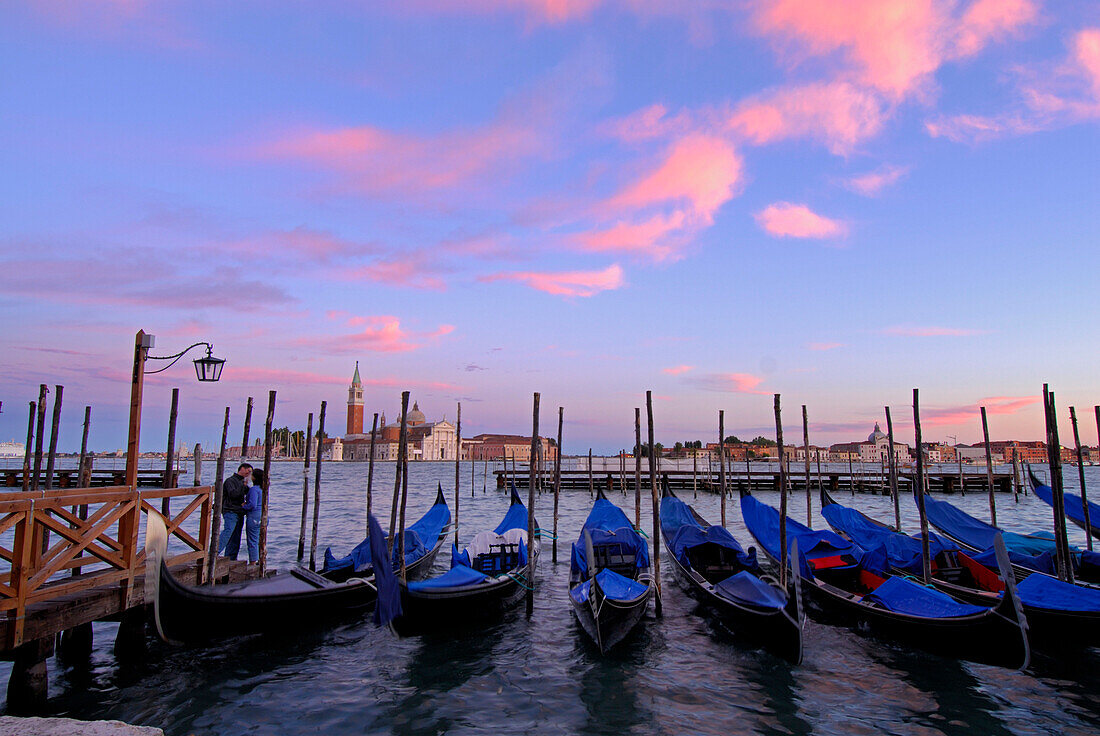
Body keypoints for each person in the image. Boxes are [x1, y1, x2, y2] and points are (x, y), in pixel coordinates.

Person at [219, 463, 251, 559]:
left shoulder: (242, 483)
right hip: (230, 511)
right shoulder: (230, 481)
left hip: (239, 512)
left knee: (236, 537)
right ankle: (214, 553)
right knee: (228, 532)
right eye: (248, 471)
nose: (248, 474)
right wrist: (244, 485)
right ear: (242, 469)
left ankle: (231, 558)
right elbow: (233, 494)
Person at [242, 468, 265, 564]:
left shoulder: (254, 489)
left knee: (252, 540)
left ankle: (253, 562)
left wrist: (244, 506)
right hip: (262, 516)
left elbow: (252, 504)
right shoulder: (263, 489)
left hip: (254, 517)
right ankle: (261, 559)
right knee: (261, 539)